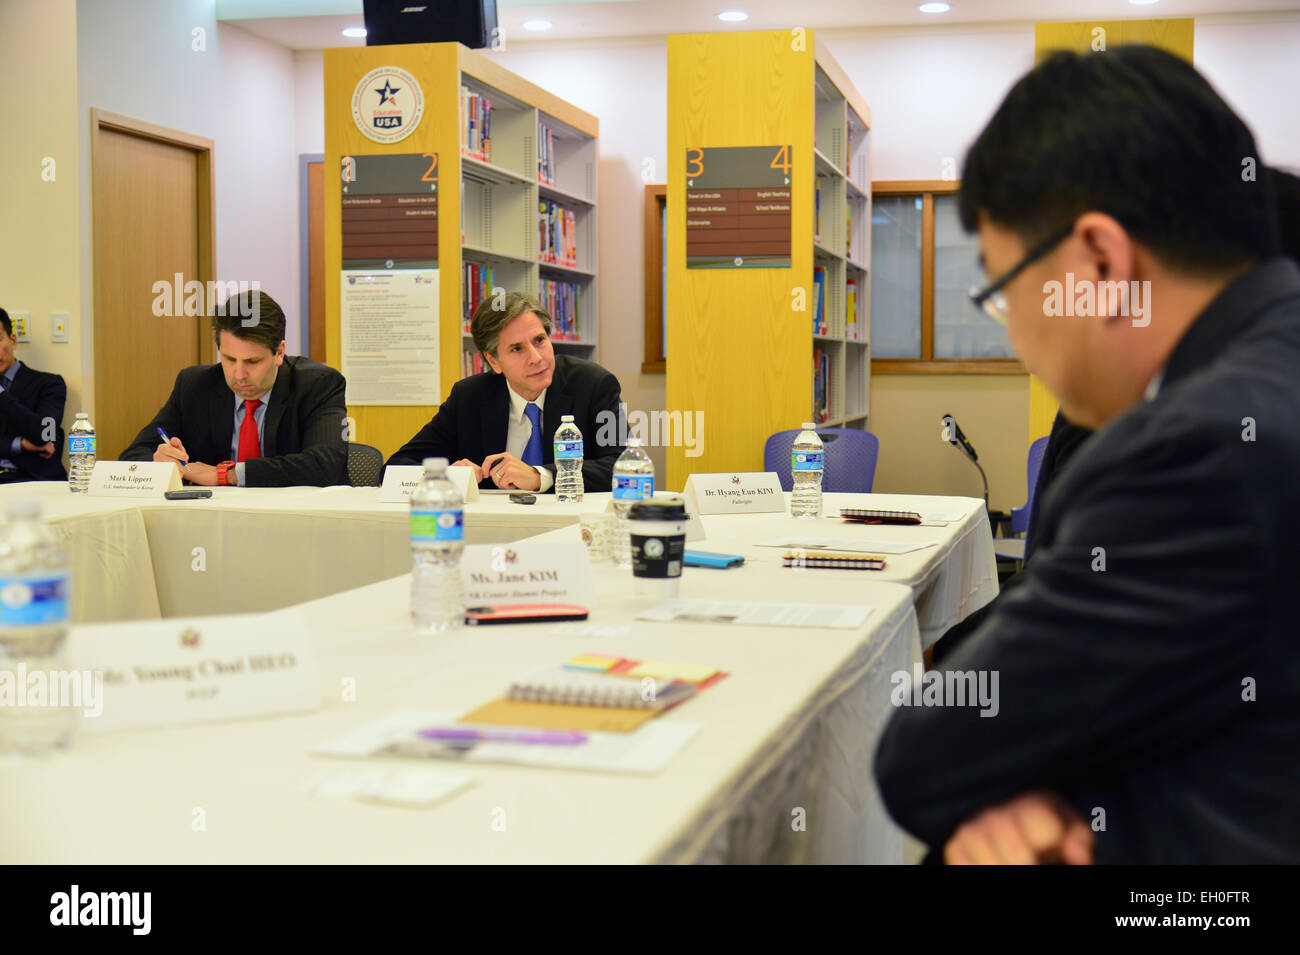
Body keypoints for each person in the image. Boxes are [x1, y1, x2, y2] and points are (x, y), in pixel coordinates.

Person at [874, 46, 1300, 864]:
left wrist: (1034, 790)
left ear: (1099, 261)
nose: (1018, 334)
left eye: (1004, 288)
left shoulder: (1196, 451)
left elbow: (924, 755)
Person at [387, 291, 625, 491]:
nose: (536, 358)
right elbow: (395, 468)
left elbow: (625, 467)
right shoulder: (469, 398)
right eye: (517, 349)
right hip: (490, 533)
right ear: (494, 361)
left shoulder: (593, 385)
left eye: (540, 340)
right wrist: (445, 476)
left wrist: (539, 476)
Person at [120, 291, 347, 487]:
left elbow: (325, 465)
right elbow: (132, 457)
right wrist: (160, 462)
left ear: (279, 353)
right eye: (229, 359)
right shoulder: (194, 385)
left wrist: (225, 475)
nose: (238, 374)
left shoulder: (318, 384)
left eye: (252, 361)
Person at [0, 307, 68, 482]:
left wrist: (1, 395)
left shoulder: (48, 384)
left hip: (30, 479)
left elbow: (46, 433)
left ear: (13, 341)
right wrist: (20, 443)